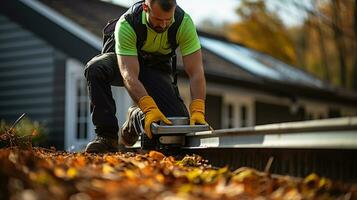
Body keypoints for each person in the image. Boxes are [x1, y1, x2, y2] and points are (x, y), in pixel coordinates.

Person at [84, 0, 208, 153]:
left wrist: (198, 109)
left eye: (167, 20)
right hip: (125, 64)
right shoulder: (128, 23)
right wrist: (149, 107)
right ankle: (106, 136)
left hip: (155, 70)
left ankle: (136, 117)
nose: (163, 25)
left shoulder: (184, 23)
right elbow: (128, 74)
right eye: (157, 19)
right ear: (145, 8)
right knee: (96, 68)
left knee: (174, 124)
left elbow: (196, 72)